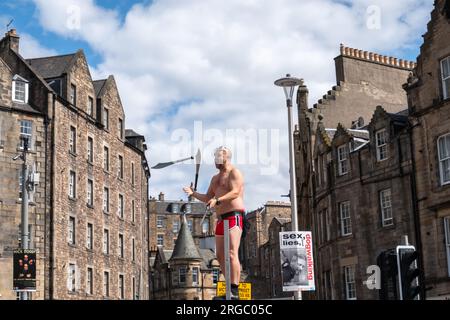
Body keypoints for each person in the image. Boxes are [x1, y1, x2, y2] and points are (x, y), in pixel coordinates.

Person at [183, 146, 245, 300]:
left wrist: (217, 200)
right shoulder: (214, 179)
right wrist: (193, 193)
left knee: (231, 253)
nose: (215, 160)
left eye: (218, 156)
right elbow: (207, 197)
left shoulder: (234, 173)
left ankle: (235, 288)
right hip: (220, 218)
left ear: (226, 157)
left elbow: (235, 192)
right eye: (214, 157)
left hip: (233, 216)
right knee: (220, 255)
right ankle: (229, 286)